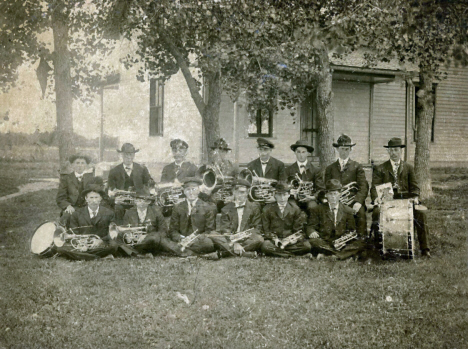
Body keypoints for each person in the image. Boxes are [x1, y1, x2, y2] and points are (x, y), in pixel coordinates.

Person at [370, 137, 431, 258]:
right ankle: (379, 247)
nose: (393, 153)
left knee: (421, 213)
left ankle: (425, 248)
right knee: (376, 212)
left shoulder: (408, 168)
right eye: (391, 150)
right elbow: (374, 187)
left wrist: (415, 197)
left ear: (400, 151)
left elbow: (415, 187)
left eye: (396, 150)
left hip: (406, 202)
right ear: (388, 151)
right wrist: (376, 198)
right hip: (388, 203)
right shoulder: (380, 168)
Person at [55, 184, 119, 260]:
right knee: (61, 248)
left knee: (113, 246)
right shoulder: (77, 214)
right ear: (86, 199)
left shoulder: (109, 213)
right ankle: (100, 258)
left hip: (101, 243)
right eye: (91, 198)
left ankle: (82, 256)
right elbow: (74, 232)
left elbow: (111, 233)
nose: (94, 201)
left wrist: (100, 241)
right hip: (83, 244)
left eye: (96, 197)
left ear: (100, 198)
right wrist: (81, 244)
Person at [307, 179, 366, 260]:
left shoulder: (348, 210)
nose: (333, 197)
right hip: (325, 241)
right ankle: (343, 255)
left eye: (335, 194)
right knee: (313, 241)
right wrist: (312, 231)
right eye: (330, 194)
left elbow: (351, 230)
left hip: (342, 243)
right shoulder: (318, 209)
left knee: (360, 243)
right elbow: (310, 226)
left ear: (340, 194)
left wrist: (342, 241)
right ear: (326, 195)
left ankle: (330, 255)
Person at [324, 134, 369, 236]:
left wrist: (358, 201)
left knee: (360, 213)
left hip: (352, 201)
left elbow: (363, 186)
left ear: (350, 150)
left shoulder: (357, 166)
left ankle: (362, 241)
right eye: (342, 149)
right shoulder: (330, 168)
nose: (344, 152)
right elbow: (326, 187)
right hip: (335, 201)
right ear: (337, 150)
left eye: (346, 149)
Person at [121, 189, 186, 257]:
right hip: (136, 243)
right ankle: (140, 253)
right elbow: (126, 231)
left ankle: (138, 253)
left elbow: (163, 232)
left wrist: (147, 237)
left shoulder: (156, 212)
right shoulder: (129, 213)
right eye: (137, 199)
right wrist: (132, 237)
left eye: (143, 200)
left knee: (156, 238)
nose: (140, 202)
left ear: (148, 202)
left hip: (152, 242)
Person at [211, 179, 264, 258]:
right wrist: (235, 242)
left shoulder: (254, 207)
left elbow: (257, 228)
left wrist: (243, 237)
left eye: (242, 192)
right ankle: (245, 253)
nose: (239, 195)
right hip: (231, 238)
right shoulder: (225, 209)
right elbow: (225, 229)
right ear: (233, 192)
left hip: (247, 238)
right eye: (237, 192)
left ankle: (225, 253)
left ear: (247, 193)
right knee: (213, 236)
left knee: (259, 239)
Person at [169, 177, 217, 258]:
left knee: (209, 244)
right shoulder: (178, 207)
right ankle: (191, 252)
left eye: (194, 189)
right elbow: (173, 230)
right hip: (182, 240)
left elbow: (210, 230)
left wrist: (194, 239)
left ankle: (183, 251)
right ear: (184, 191)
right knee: (166, 242)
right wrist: (181, 239)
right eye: (188, 190)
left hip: (199, 240)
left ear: (198, 190)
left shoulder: (208, 207)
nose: (191, 193)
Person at [260, 182, 311, 257]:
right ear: (275, 195)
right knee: (265, 246)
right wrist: (275, 239)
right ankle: (293, 255)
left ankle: (280, 253)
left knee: (307, 246)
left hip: (289, 241)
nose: (282, 198)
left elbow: (299, 230)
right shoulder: (267, 209)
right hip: (274, 241)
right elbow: (266, 230)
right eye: (279, 195)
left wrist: (293, 240)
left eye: (284, 195)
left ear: (288, 195)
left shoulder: (295, 209)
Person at [108, 143, 154, 223]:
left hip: (139, 200)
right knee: (118, 208)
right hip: (122, 202)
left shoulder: (142, 169)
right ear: (121, 155)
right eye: (126, 154)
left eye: (131, 154)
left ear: (134, 155)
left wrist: (149, 191)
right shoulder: (114, 171)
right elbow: (110, 189)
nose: (129, 157)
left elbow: (149, 183)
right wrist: (115, 199)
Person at [198, 138, 239, 212]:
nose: (219, 154)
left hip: (228, 199)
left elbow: (238, 185)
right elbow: (201, 188)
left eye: (222, 151)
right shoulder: (206, 168)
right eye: (216, 151)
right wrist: (210, 196)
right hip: (212, 200)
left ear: (226, 153)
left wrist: (233, 196)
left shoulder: (233, 167)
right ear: (213, 152)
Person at [285, 140, 324, 212]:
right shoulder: (288, 170)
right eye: (298, 152)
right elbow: (284, 187)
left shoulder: (315, 170)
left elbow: (320, 188)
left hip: (310, 199)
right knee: (292, 208)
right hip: (293, 199)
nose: (301, 155)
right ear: (295, 153)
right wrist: (290, 192)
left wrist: (313, 197)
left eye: (303, 152)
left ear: (308, 153)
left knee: (313, 207)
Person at [56, 154, 94, 226]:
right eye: (77, 163)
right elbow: (60, 198)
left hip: (87, 206)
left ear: (86, 165)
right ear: (72, 165)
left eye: (82, 163)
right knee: (67, 217)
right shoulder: (66, 179)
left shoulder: (91, 178)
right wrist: (68, 206)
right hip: (72, 207)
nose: (80, 165)